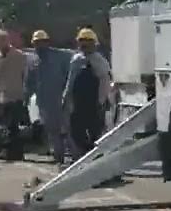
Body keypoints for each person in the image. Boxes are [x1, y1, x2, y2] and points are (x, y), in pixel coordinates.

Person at [25, 30, 72, 165]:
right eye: (36, 43)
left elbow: (69, 76)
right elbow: (29, 81)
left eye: (41, 42)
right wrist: (26, 96)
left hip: (62, 100)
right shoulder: (32, 60)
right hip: (44, 101)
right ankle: (59, 158)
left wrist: (68, 94)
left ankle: (76, 157)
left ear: (47, 42)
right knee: (52, 131)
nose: (39, 45)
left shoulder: (61, 57)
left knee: (67, 130)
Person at [64, 28, 111, 158]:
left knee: (96, 133)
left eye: (87, 42)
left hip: (94, 103)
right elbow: (71, 80)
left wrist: (101, 101)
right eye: (82, 41)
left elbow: (105, 82)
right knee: (76, 132)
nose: (84, 44)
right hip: (78, 103)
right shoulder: (76, 60)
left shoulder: (100, 61)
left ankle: (97, 158)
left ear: (94, 43)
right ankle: (84, 153)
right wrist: (66, 97)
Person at [0, 31, 28, 161]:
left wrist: (26, 95)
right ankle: (11, 151)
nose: (0, 44)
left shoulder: (19, 56)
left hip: (17, 96)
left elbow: (26, 76)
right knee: (7, 126)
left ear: (7, 41)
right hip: (4, 97)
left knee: (13, 126)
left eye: (3, 41)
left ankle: (14, 152)